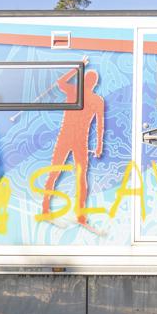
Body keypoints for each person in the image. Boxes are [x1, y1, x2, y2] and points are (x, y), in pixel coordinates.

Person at [40, 60, 104, 227]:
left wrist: (77, 67)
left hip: (67, 137)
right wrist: (99, 146)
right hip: (79, 140)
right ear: (94, 83)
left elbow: (59, 82)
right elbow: (100, 125)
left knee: (55, 173)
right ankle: (80, 216)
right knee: (80, 177)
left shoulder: (74, 91)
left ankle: (46, 209)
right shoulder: (96, 100)